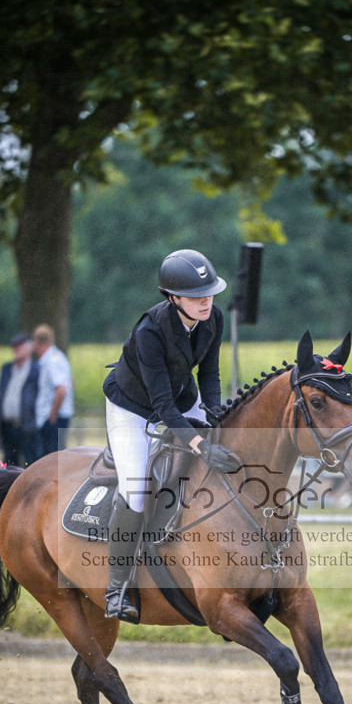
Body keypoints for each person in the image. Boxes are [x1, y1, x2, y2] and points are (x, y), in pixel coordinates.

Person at [102, 248, 236, 620]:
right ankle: (116, 590)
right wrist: (197, 444)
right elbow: (161, 406)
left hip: (180, 397)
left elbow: (208, 375)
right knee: (136, 488)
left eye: (209, 293)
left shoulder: (214, 318)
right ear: (174, 298)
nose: (206, 301)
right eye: (196, 297)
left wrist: (216, 416)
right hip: (132, 409)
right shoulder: (149, 331)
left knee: (221, 444)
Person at [0, 332, 40, 466]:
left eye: (20, 346)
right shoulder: (6, 369)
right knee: (9, 463)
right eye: (15, 346)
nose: (16, 349)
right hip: (7, 425)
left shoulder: (36, 369)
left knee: (31, 462)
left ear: (29, 348)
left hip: (26, 426)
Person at [32, 323, 74, 457]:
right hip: (55, 416)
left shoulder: (52, 361)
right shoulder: (57, 357)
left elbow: (61, 390)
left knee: (51, 460)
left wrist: (52, 415)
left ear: (37, 342)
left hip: (54, 418)